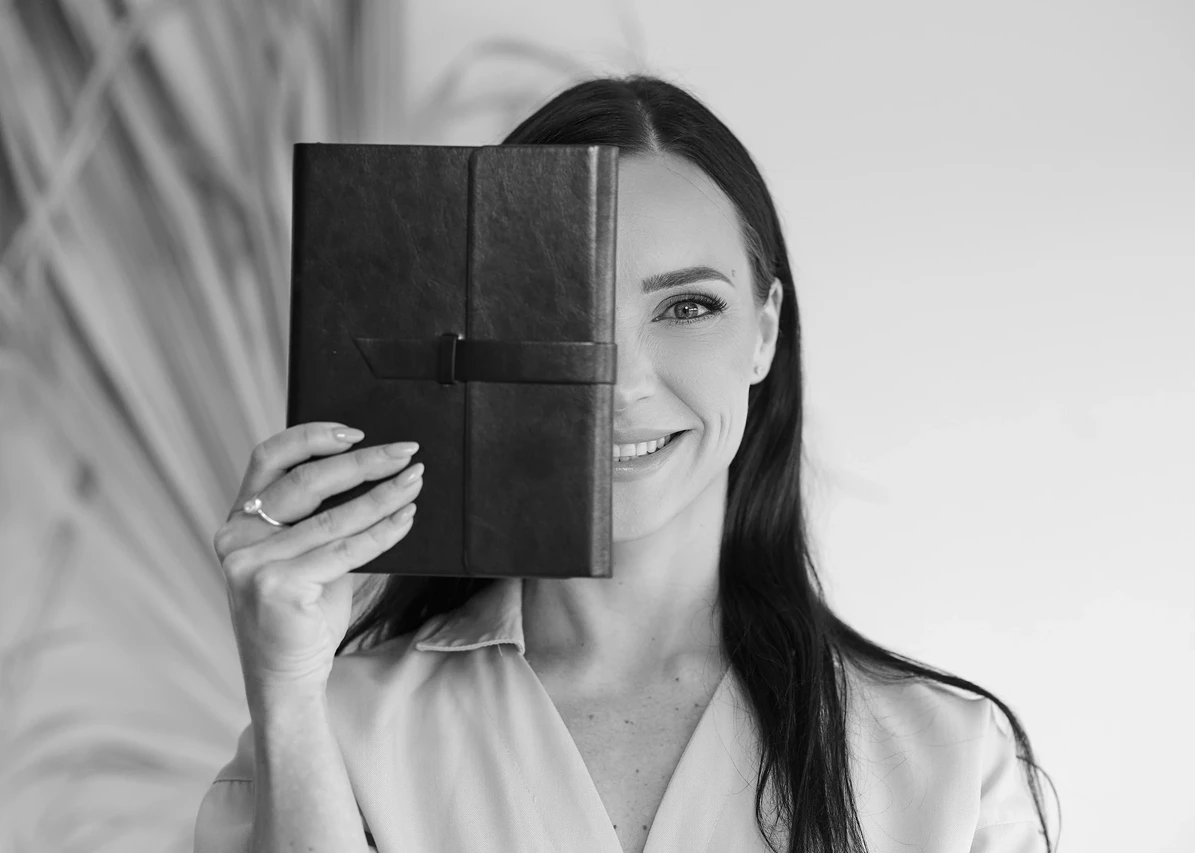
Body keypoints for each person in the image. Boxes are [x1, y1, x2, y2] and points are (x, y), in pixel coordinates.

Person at [195, 74, 1058, 853]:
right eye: (565, 316)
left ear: (763, 333)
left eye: (687, 306)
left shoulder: (949, 760)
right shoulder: (326, 729)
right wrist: (286, 693)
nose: (625, 382)